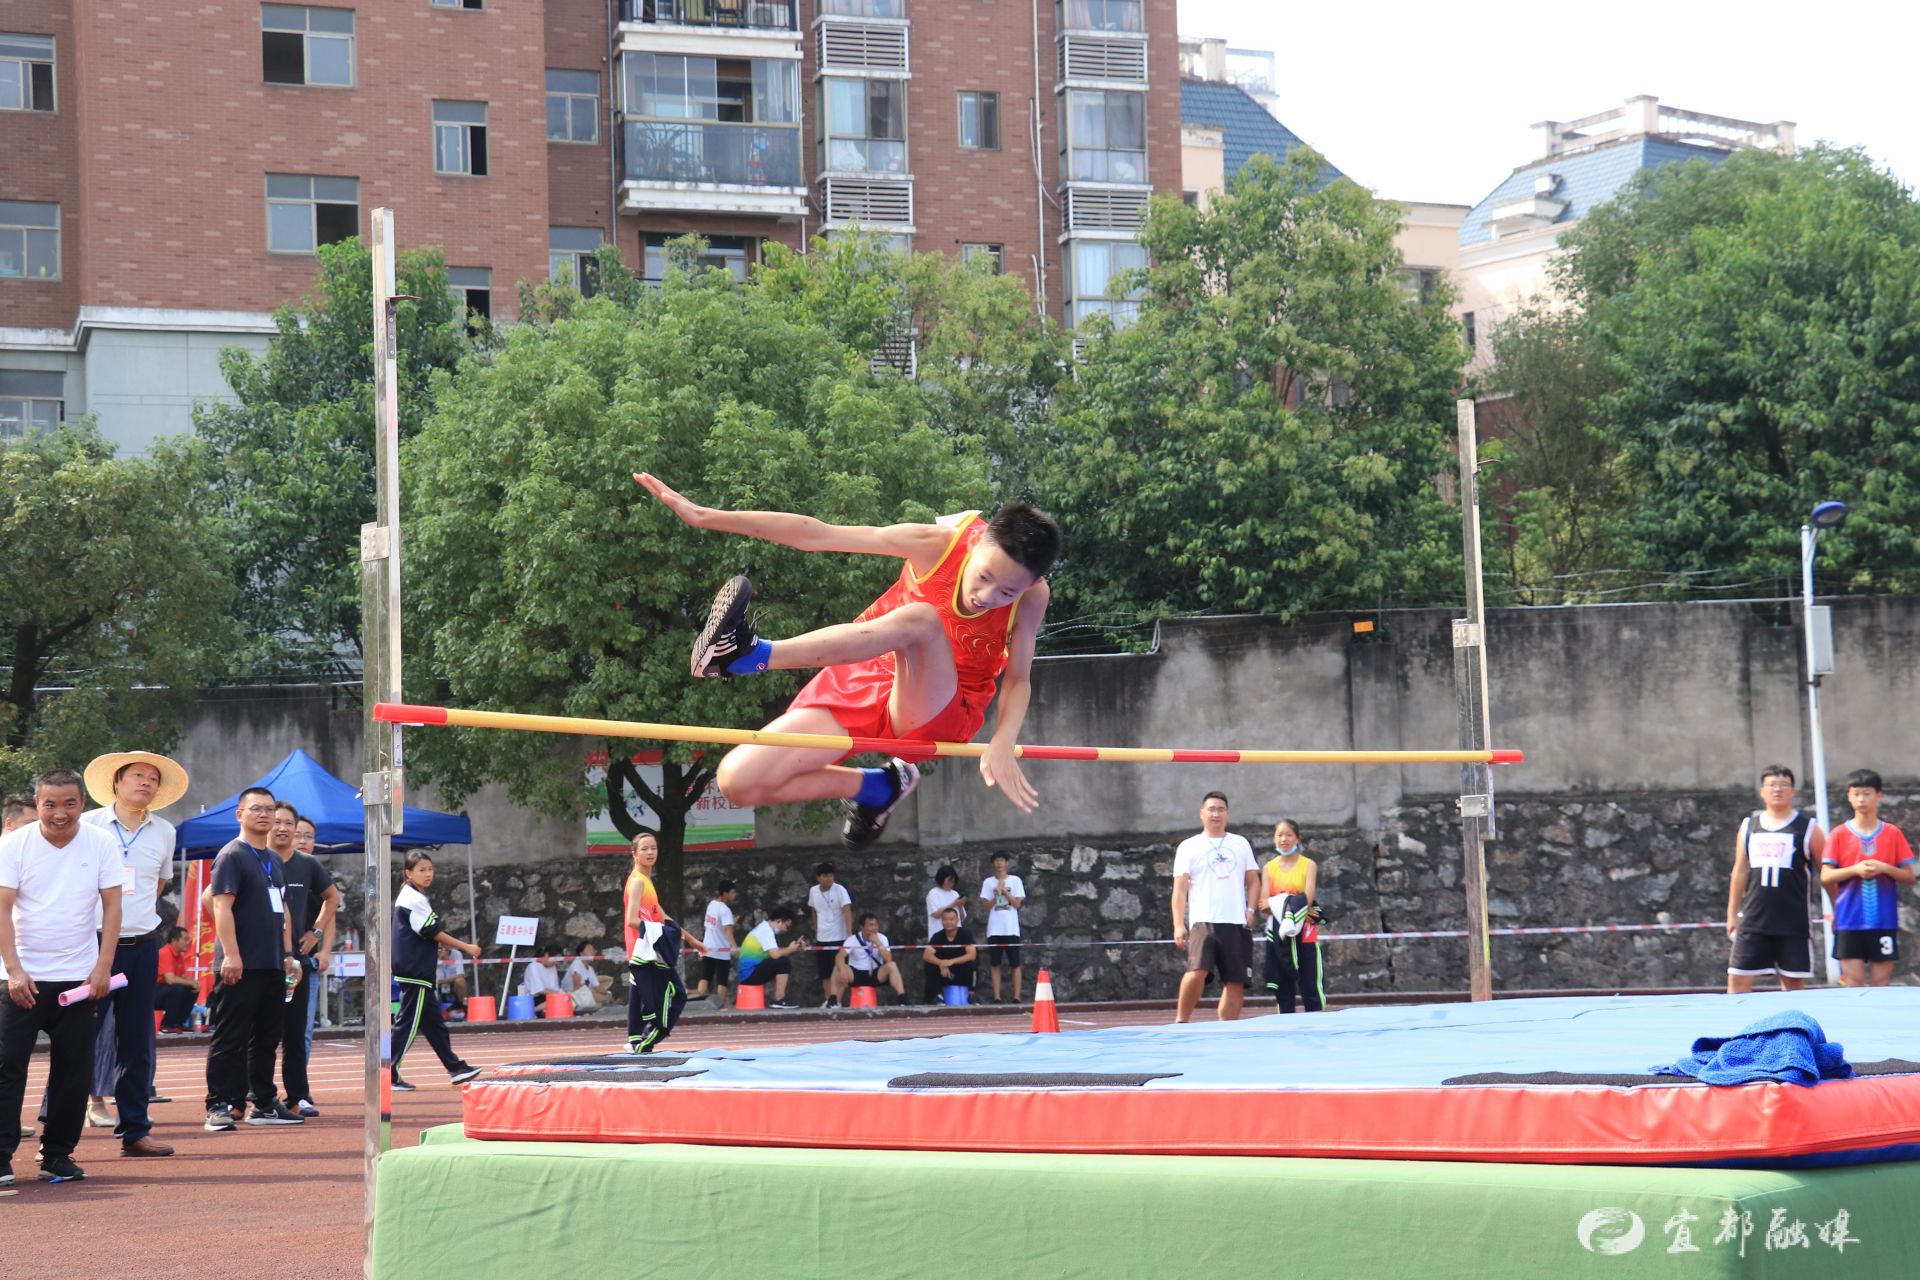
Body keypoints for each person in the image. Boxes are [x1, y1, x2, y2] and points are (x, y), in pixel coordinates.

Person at [637, 474, 1061, 849]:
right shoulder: (937, 544)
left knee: (921, 621)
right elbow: (817, 534)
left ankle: (750, 656)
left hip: (942, 705)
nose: (986, 597)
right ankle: (880, 787)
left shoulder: (1033, 597)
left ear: (1031, 584)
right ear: (976, 549)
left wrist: (1005, 739)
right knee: (738, 780)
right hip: (865, 675)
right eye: (985, 577)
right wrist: (705, 515)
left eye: (1006, 593)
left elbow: (1018, 679)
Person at [0, 770, 122, 1185]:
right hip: (21, 980)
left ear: (81, 805)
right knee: (7, 1067)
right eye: (49, 804)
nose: (58, 813)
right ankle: (1, 1157)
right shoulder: (13, 845)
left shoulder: (101, 843)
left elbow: (112, 908)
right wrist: (14, 970)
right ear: (37, 805)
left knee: (73, 1070)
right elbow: (2, 910)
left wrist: (103, 966)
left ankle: (57, 1155)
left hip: (79, 978)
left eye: (68, 803)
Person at [77, 750, 187, 1154]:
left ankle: (135, 1130)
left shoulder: (165, 832)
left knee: (137, 1041)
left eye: (153, 779)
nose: (146, 783)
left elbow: (157, 887)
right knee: (76, 1037)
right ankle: (58, 1136)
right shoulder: (87, 824)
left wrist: (133, 919)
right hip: (89, 945)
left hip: (141, 947)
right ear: (117, 783)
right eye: (137, 775)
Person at [202, 787, 305, 1131]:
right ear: (240, 815)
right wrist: (231, 953)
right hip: (239, 963)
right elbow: (217, 904)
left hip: (272, 963)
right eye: (256, 809)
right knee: (230, 1037)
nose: (264, 814)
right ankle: (218, 1103)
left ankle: (262, 1102)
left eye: (269, 809)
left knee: (265, 1038)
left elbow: (282, 911)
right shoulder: (232, 854)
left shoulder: (274, 859)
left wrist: (288, 955)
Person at [1726, 764, 1826, 994]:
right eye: (1772, 785)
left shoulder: (1808, 828)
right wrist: (1732, 913)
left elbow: (1826, 871)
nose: (1777, 790)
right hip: (1753, 920)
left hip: (1793, 923)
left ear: (1792, 791)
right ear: (1762, 791)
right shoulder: (1749, 826)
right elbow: (1740, 870)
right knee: (1737, 982)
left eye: (1783, 785)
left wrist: (1837, 909)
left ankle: (1791, 1031)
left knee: (1792, 988)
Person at [392, 852, 482, 1089]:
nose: (428, 874)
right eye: (422, 869)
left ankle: (455, 1068)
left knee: (434, 1025)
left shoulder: (413, 896)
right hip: (415, 970)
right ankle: (388, 1071)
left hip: (417, 969)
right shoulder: (412, 898)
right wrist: (466, 947)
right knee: (408, 1024)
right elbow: (431, 931)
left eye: (430, 869)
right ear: (408, 873)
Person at [1820, 768, 1916, 988]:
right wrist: (1855, 870)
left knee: (1881, 984)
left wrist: (1884, 868)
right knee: (1853, 983)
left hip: (1883, 920)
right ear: (1849, 796)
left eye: (1867, 793)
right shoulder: (1838, 834)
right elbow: (1826, 876)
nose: (1861, 799)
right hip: (1848, 921)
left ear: (1879, 796)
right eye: (1856, 794)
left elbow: (1909, 876)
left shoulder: (1892, 833)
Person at [1171, 791, 1260, 1024]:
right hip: (1204, 920)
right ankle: (1182, 1021)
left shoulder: (1240, 843)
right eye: (1211, 809)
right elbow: (1179, 889)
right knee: (1197, 970)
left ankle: (1227, 1028)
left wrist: (1251, 910)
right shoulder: (1188, 846)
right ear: (1202, 814)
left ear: (1227, 814)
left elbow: (1253, 880)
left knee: (1235, 980)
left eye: (1221, 809)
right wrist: (1178, 924)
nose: (1216, 814)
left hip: (1236, 921)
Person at [271, 802, 335, 1118]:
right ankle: (248, 1096)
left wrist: (317, 937)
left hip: (297, 962)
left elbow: (332, 901)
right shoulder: (252, 858)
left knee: (298, 1033)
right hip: (261, 959)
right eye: (278, 822)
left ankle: (297, 1095)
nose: (286, 830)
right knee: (260, 1033)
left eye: (291, 826)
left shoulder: (308, 865)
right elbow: (213, 898)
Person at [624, 831, 702, 1053]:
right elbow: (631, 920)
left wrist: (693, 941)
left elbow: (662, 916)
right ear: (634, 854)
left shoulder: (646, 881)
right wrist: (661, 932)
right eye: (645, 849)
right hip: (646, 949)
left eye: (654, 848)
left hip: (646, 948)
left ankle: (636, 1039)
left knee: (639, 994)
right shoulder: (638, 882)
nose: (650, 852)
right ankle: (645, 1042)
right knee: (676, 994)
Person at [288, 814, 339, 1082]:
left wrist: (323, 948)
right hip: (273, 960)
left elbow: (330, 909)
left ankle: (298, 1088)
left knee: (304, 1029)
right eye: (299, 834)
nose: (303, 841)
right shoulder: (271, 864)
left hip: (306, 963)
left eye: (309, 836)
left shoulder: (314, 870)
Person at [1260, 819, 1325, 1014]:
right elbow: (1263, 904)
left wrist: (1278, 902)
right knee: (1283, 983)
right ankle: (1285, 1022)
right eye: (1279, 835)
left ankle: (1316, 1020)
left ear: (1298, 838)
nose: (1284, 839)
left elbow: (1309, 898)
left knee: (1310, 980)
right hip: (1278, 932)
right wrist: (1291, 903)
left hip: (1305, 930)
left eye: (1288, 835)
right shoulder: (1268, 868)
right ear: (1274, 838)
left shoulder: (1308, 865)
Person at [978, 854, 1026, 1003]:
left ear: (1006, 863)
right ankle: (997, 996)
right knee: (995, 963)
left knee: (1015, 963)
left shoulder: (1015, 880)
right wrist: (996, 895)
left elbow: (1017, 904)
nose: (999, 864)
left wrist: (1004, 891)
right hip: (994, 929)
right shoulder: (988, 882)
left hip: (1011, 928)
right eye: (996, 861)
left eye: (1002, 860)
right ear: (993, 864)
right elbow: (985, 906)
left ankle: (1016, 996)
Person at [734, 908, 804, 1009]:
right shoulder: (766, 931)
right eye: (787, 926)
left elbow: (776, 954)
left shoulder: (764, 928)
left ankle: (777, 998)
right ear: (779, 921)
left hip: (747, 974)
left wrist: (794, 948)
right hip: (749, 975)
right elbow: (775, 955)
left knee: (779, 962)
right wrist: (790, 949)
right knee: (782, 962)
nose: (786, 930)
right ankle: (779, 999)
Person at [808, 863, 853, 1009]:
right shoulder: (813, 891)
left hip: (839, 936)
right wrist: (815, 928)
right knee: (825, 972)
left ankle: (837, 1000)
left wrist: (849, 934)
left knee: (838, 969)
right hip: (822, 937)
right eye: (825, 876)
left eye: (831, 875)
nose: (829, 878)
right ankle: (828, 1000)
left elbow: (847, 910)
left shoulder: (840, 890)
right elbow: (813, 910)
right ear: (818, 877)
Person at [835, 912, 905, 1004]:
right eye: (870, 925)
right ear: (862, 927)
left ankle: (902, 998)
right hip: (856, 973)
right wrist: (842, 970)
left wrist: (878, 942)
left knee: (892, 966)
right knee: (838, 968)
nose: (874, 928)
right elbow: (839, 956)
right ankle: (835, 1001)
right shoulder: (852, 939)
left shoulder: (882, 938)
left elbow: (888, 959)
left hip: (875, 973)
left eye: (875, 925)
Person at [921, 904, 977, 1004]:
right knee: (929, 966)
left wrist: (951, 962)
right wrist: (941, 963)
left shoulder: (965, 934)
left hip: (961, 971)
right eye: (945, 919)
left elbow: (972, 954)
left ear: (957, 920)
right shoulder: (937, 936)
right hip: (945, 973)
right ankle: (937, 997)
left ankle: (971, 995)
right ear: (942, 921)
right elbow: (926, 955)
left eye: (951, 919)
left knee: (972, 964)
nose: (948, 922)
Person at [155, 927, 197, 1031]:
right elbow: (170, 979)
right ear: (174, 941)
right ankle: (167, 1025)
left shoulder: (179, 955)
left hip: (163, 990)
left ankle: (178, 1023)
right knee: (177, 988)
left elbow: (182, 976)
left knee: (192, 989)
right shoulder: (165, 952)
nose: (188, 942)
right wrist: (189, 982)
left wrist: (194, 982)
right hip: (150, 992)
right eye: (185, 939)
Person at [563, 942, 614, 1013]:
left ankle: (603, 1000)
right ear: (581, 954)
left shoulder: (590, 969)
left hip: (585, 995)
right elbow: (577, 986)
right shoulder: (577, 963)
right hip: (573, 995)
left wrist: (607, 993)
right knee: (596, 999)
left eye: (593, 950)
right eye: (589, 950)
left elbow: (598, 987)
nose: (592, 953)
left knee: (601, 1000)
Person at [925, 864, 965, 943]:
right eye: (949, 880)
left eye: (953, 881)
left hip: (956, 936)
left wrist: (960, 906)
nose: (951, 883)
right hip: (938, 935)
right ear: (942, 879)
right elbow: (936, 914)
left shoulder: (955, 894)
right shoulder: (933, 893)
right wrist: (953, 904)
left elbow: (962, 918)